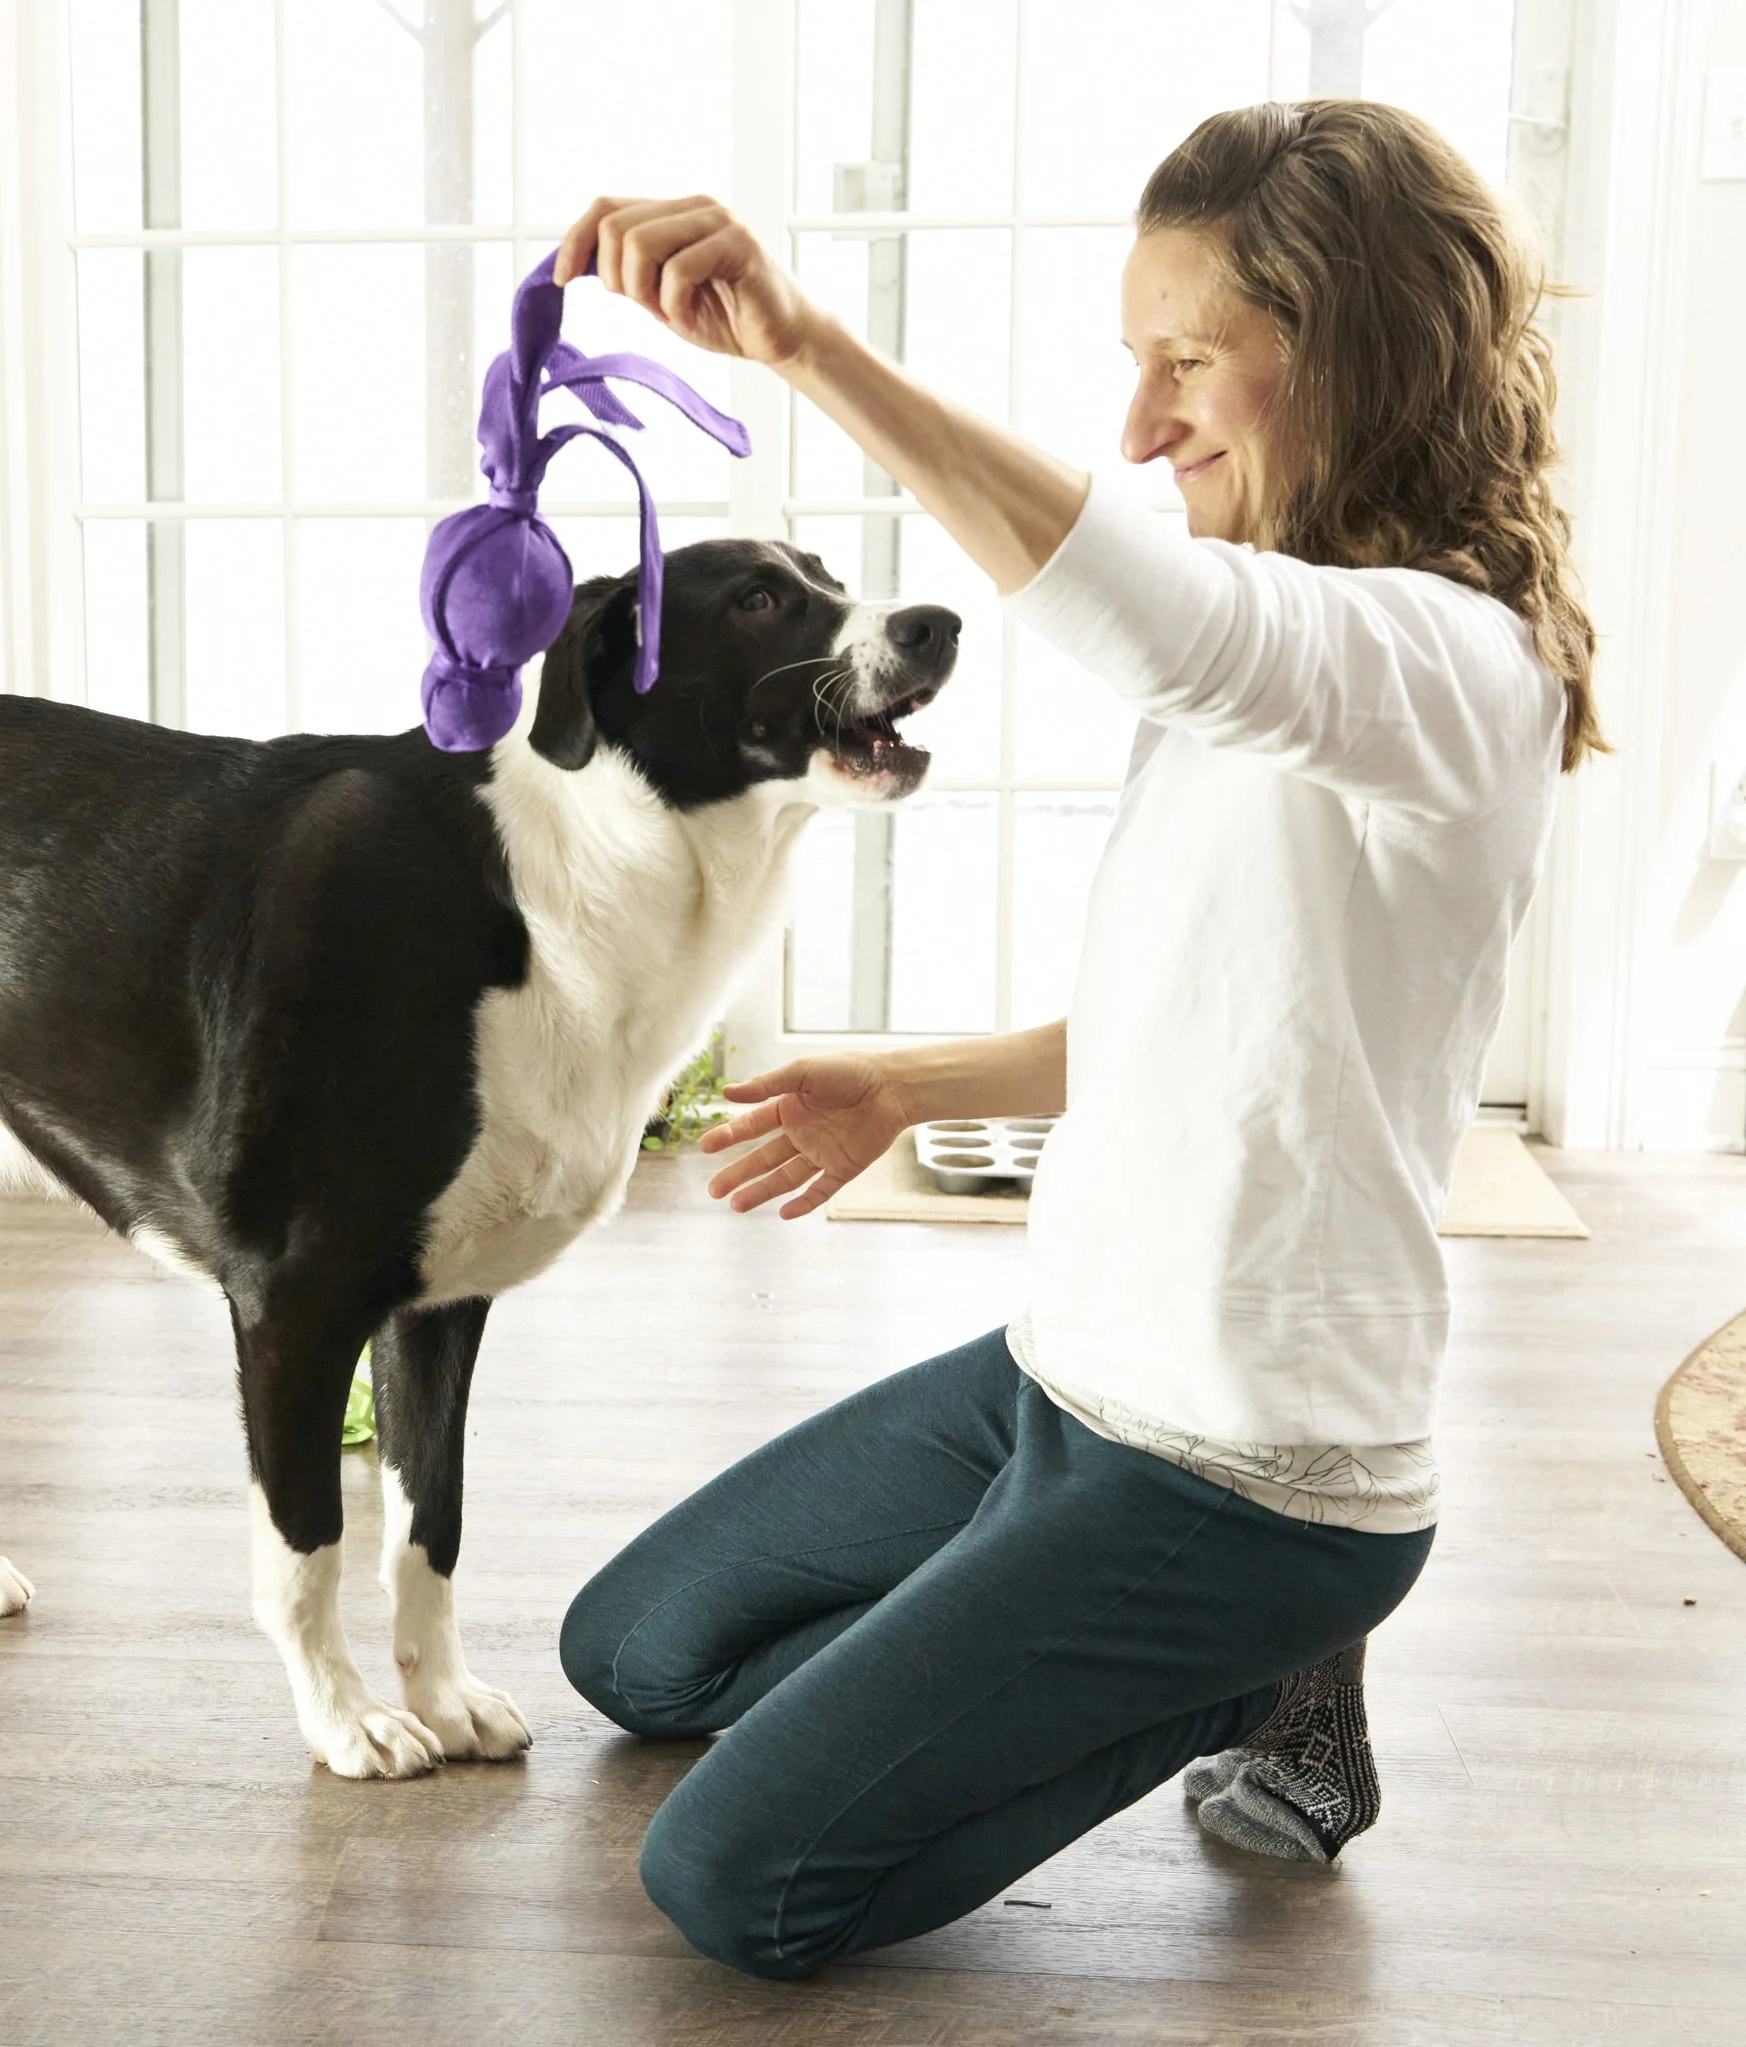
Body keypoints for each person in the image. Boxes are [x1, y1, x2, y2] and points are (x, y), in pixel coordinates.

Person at [553, 100, 1605, 1981]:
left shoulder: (1454, 663)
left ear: (1352, 346)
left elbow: (1167, 630)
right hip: (1058, 1380)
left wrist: (805, 347)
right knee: (636, 1654)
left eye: (1186, 358)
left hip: (1251, 1476)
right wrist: (908, 1081)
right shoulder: (1282, 645)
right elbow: (1212, 1011)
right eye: (1135, 366)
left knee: (739, 1883)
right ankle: (1053, 1635)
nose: (1142, 422)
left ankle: (1250, 1669)